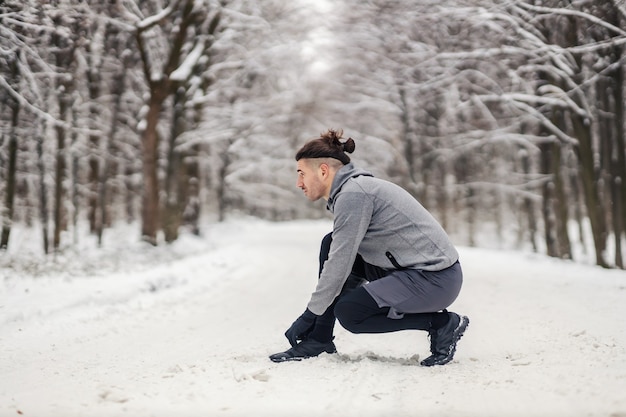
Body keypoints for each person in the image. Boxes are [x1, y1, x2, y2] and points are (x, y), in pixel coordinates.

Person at [269, 129, 469, 366]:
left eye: (301, 173)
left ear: (323, 171)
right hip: (412, 272)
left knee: (351, 313)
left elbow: (340, 263)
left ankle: (442, 324)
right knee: (330, 242)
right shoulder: (354, 190)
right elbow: (340, 256)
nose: (298, 183)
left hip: (435, 280)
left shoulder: (355, 194)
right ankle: (319, 339)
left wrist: (309, 315)